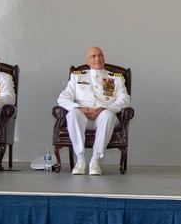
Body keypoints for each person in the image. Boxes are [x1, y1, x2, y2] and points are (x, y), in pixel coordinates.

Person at [56, 47, 131, 175]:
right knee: (73, 113)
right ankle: (80, 160)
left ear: (104, 58)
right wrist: (80, 108)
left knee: (107, 115)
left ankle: (95, 161)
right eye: (93, 56)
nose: (97, 59)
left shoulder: (116, 78)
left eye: (100, 55)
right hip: (83, 117)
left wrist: (105, 109)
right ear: (87, 61)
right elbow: (62, 98)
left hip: (104, 117)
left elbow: (125, 99)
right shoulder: (77, 77)